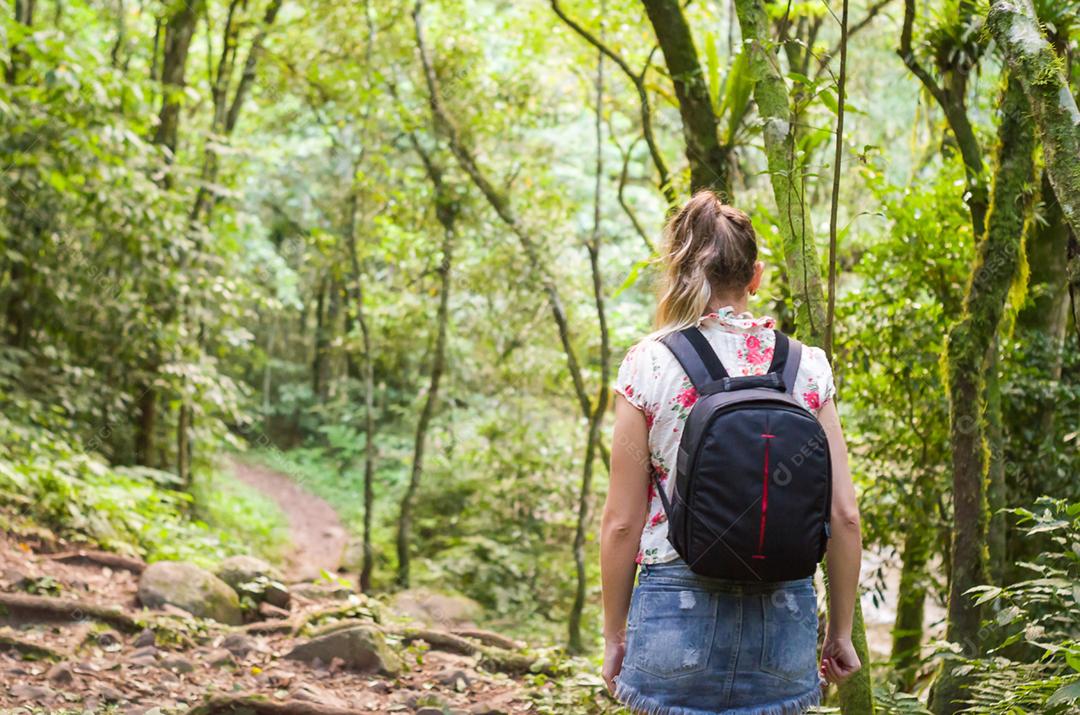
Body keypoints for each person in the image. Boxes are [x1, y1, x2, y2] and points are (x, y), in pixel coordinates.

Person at [601, 190, 863, 715]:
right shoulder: (806, 366)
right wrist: (840, 632)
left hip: (674, 610)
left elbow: (622, 524)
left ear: (679, 270)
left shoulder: (649, 362)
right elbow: (845, 516)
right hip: (783, 613)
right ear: (756, 276)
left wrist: (614, 636)